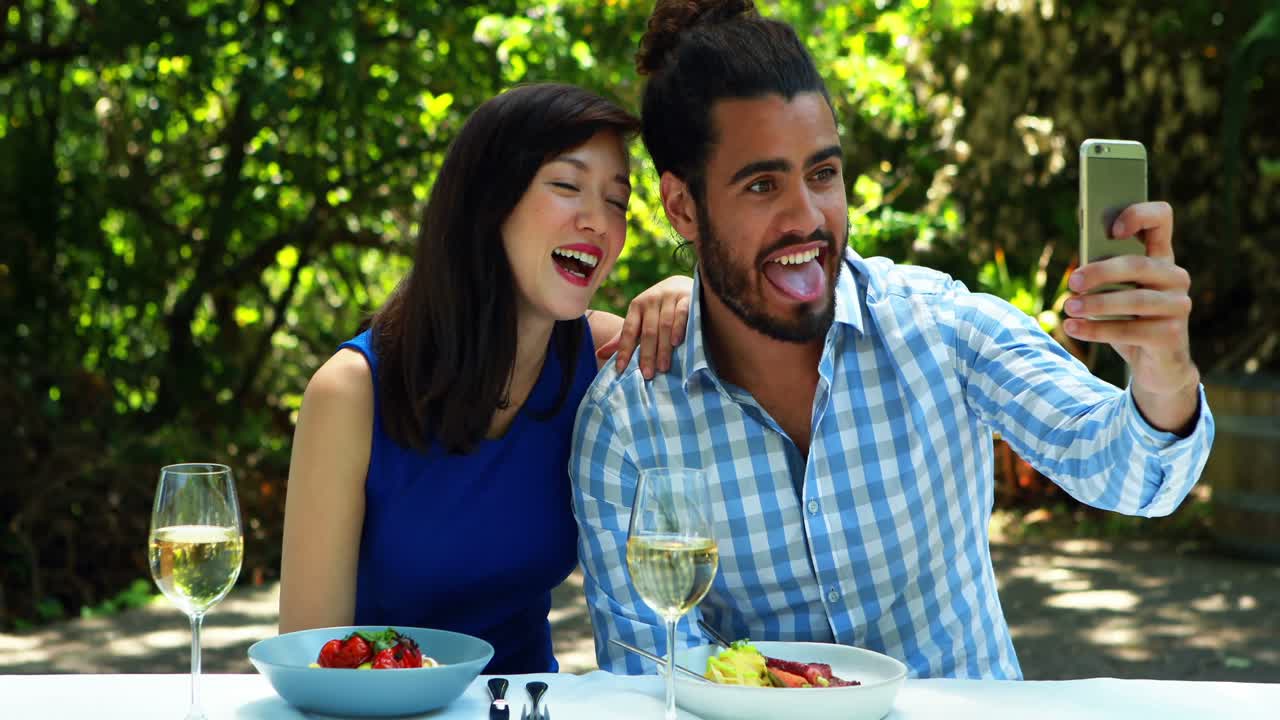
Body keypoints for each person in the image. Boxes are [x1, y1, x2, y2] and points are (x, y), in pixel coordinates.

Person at [570, 0, 1214, 680]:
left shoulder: (939, 328)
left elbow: (1140, 481)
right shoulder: (629, 420)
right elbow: (652, 667)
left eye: (822, 174)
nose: (808, 217)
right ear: (682, 208)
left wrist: (1163, 372)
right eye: (763, 185)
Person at [279, 83, 692, 674]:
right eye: (567, 186)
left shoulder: (603, 359)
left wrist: (688, 300)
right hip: (379, 714)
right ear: (487, 200)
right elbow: (307, 663)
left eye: (617, 202)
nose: (599, 221)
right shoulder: (350, 393)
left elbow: (734, 360)